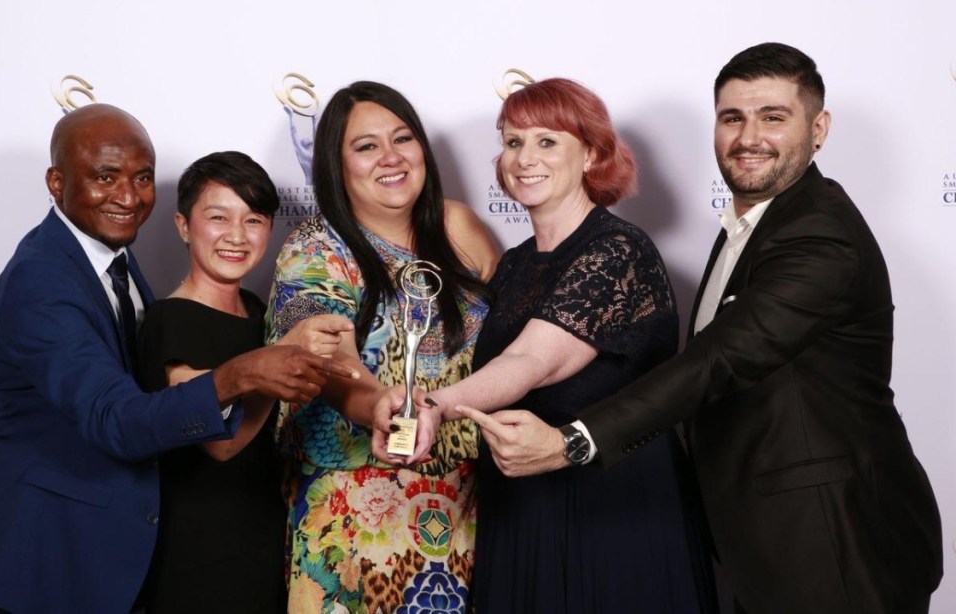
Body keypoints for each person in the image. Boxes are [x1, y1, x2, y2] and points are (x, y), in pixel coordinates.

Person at [456, 44, 943, 613]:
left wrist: (572, 441)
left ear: (819, 128)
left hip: (835, 542)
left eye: (773, 117)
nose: (748, 136)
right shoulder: (751, 225)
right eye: (732, 118)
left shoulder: (820, 236)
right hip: (758, 540)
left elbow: (717, 360)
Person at [0, 104, 357, 614]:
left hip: (115, 547)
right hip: (44, 553)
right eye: (105, 177)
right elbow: (116, 418)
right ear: (56, 182)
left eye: (142, 177)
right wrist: (251, 370)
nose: (128, 196)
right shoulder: (40, 282)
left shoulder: (109, 253)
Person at [372, 78, 717, 614]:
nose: (524, 157)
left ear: (593, 154)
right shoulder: (514, 263)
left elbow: (533, 360)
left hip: (610, 508)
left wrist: (436, 406)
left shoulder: (618, 250)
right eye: (512, 142)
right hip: (525, 505)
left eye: (547, 141)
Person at [267, 81, 498, 613]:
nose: (390, 158)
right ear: (335, 164)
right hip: (359, 522)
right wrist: (375, 404)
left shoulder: (459, 226)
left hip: (470, 511)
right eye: (366, 146)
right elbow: (325, 357)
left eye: (402, 138)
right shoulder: (315, 248)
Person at [134, 151, 354, 613]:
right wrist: (280, 359)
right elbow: (220, 443)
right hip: (198, 551)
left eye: (253, 220)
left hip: (267, 536)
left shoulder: (259, 310)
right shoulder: (168, 320)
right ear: (182, 225)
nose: (236, 236)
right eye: (218, 217)